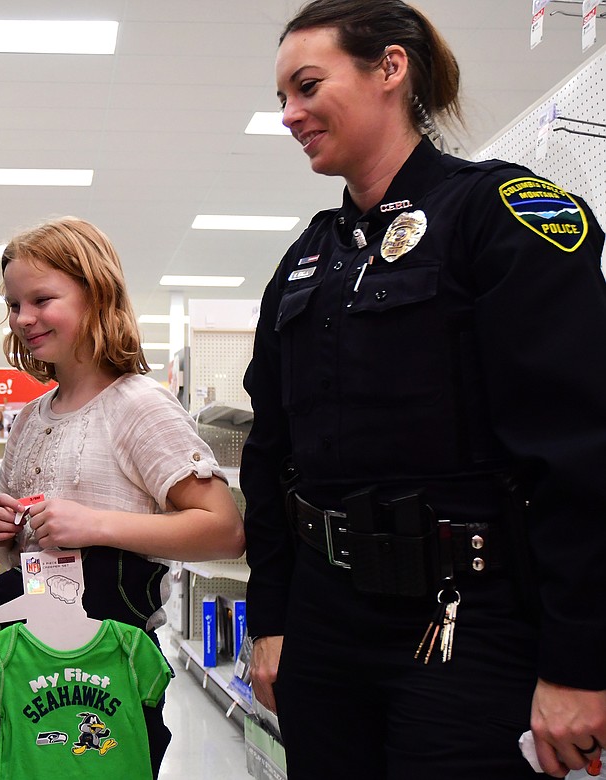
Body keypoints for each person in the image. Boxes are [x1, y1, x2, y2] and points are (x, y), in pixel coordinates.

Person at [241, 1, 606, 778]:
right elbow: (270, 457)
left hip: (469, 624)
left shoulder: (499, 218)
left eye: (306, 86)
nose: (290, 115)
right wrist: (269, 619)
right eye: (282, 99)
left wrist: (580, 661)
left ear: (391, 69)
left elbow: (579, 455)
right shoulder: (306, 263)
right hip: (324, 626)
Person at [0, 216, 245, 776]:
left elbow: (222, 527)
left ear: (96, 295)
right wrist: (2, 536)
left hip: (105, 679)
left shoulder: (138, 406)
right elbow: (29, 554)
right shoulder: (29, 418)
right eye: (13, 304)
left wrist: (96, 526)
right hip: (23, 661)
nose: (24, 319)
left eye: (41, 299)